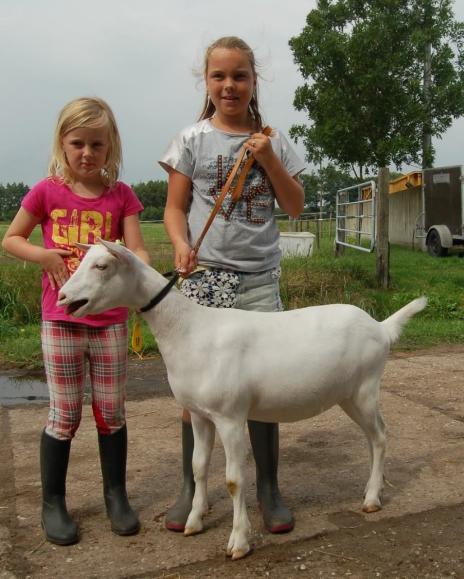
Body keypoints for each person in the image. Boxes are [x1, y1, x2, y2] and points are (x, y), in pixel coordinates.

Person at [159, 36, 305, 534]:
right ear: (207, 81)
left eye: (239, 76)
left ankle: (268, 489)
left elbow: (295, 207)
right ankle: (190, 488)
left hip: (260, 280)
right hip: (206, 279)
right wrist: (180, 244)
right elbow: (174, 208)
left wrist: (269, 160)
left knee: (264, 386)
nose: (229, 85)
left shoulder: (274, 139)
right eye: (219, 76)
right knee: (196, 394)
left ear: (253, 81)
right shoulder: (192, 140)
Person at [2, 97, 149, 545]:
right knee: (64, 413)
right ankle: (53, 503)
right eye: (78, 143)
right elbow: (12, 239)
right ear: (63, 145)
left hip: (109, 322)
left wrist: (137, 262)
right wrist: (44, 256)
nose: (87, 153)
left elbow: (139, 251)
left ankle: (116, 496)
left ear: (111, 147)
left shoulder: (121, 196)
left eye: (97, 145)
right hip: (62, 319)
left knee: (111, 412)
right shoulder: (46, 191)